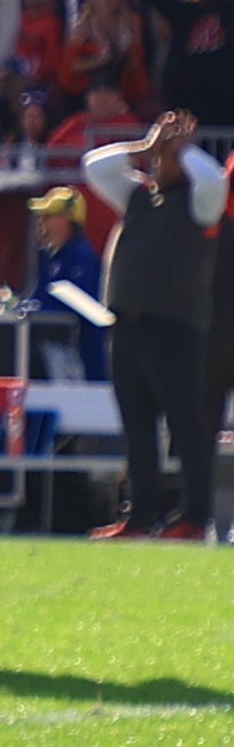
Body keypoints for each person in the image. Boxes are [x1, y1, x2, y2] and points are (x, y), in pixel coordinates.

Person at [84, 111, 227, 539]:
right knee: (137, 429)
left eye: (166, 155)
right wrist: (145, 146)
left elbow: (216, 179)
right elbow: (93, 166)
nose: (158, 162)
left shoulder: (200, 201)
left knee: (187, 429)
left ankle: (194, 518)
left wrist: (185, 151)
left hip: (174, 330)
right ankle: (141, 515)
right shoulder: (139, 195)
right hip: (127, 328)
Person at [24, 187, 107, 381]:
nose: (41, 222)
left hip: (79, 357)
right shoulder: (54, 259)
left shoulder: (81, 257)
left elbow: (82, 307)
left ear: (67, 220)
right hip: (54, 354)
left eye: (48, 216)